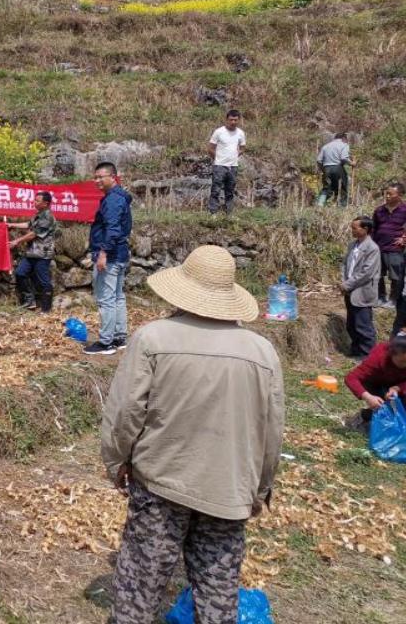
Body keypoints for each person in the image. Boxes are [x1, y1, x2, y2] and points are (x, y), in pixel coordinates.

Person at [102, 245, 284, 624]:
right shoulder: (262, 352)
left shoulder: (153, 339)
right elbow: (271, 432)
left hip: (161, 481)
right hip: (229, 488)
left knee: (142, 579)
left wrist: (116, 460)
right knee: (217, 586)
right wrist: (261, 487)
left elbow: (125, 413)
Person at [85, 161, 132, 355]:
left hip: (110, 256)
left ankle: (106, 342)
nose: (96, 181)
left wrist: (103, 253)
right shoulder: (119, 197)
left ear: (113, 177)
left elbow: (112, 229)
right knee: (118, 297)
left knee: (106, 299)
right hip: (120, 254)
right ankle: (120, 337)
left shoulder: (112, 200)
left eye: (100, 177)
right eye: (94, 177)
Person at [8, 191, 57, 313]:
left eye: (37, 201)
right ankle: (29, 301)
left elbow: (34, 234)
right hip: (31, 252)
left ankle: (46, 309)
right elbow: (28, 225)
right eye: (35, 200)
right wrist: (11, 224)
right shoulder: (38, 215)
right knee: (20, 273)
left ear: (46, 203)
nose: (34, 202)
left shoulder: (48, 217)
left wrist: (16, 241)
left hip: (42, 254)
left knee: (43, 280)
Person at [345, 330, 406, 423]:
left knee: (399, 414)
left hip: (398, 383)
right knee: (383, 409)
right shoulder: (378, 358)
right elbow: (351, 378)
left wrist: (398, 388)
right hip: (375, 383)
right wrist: (368, 397)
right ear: (392, 355)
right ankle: (366, 416)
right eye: (402, 362)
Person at [341, 216, 381, 359]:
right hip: (350, 291)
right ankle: (356, 350)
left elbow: (366, 273)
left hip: (362, 292)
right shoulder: (353, 245)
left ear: (365, 229)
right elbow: (345, 264)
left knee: (363, 326)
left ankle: (367, 356)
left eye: (355, 228)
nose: (352, 230)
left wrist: (347, 284)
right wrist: (343, 281)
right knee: (351, 325)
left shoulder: (372, 248)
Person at [372, 182, 406, 310]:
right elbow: (373, 228)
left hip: (395, 249)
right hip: (378, 247)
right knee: (378, 274)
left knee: (396, 276)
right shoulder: (379, 210)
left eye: (390, 194)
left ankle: (393, 300)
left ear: (400, 195)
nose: (387, 196)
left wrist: (404, 238)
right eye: (386, 194)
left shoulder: (404, 210)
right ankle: (380, 297)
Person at [207, 109, 246, 215]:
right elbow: (210, 148)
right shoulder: (219, 132)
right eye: (231, 120)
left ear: (238, 120)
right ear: (226, 120)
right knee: (216, 190)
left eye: (235, 120)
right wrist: (218, 158)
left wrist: (235, 156)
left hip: (233, 166)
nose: (233, 122)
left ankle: (229, 213)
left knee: (230, 191)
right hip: (220, 165)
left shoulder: (240, 133)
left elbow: (242, 148)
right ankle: (213, 213)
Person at [315, 133, 354, 207]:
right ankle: (342, 207)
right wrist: (352, 163)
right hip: (337, 168)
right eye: (346, 140)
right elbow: (344, 158)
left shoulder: (325, 146)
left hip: (326, 168)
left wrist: (323, 169)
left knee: (326, 188)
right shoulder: (344, 145)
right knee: (342, 187)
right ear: (344, 138)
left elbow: (319, 160)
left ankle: (320, 204)